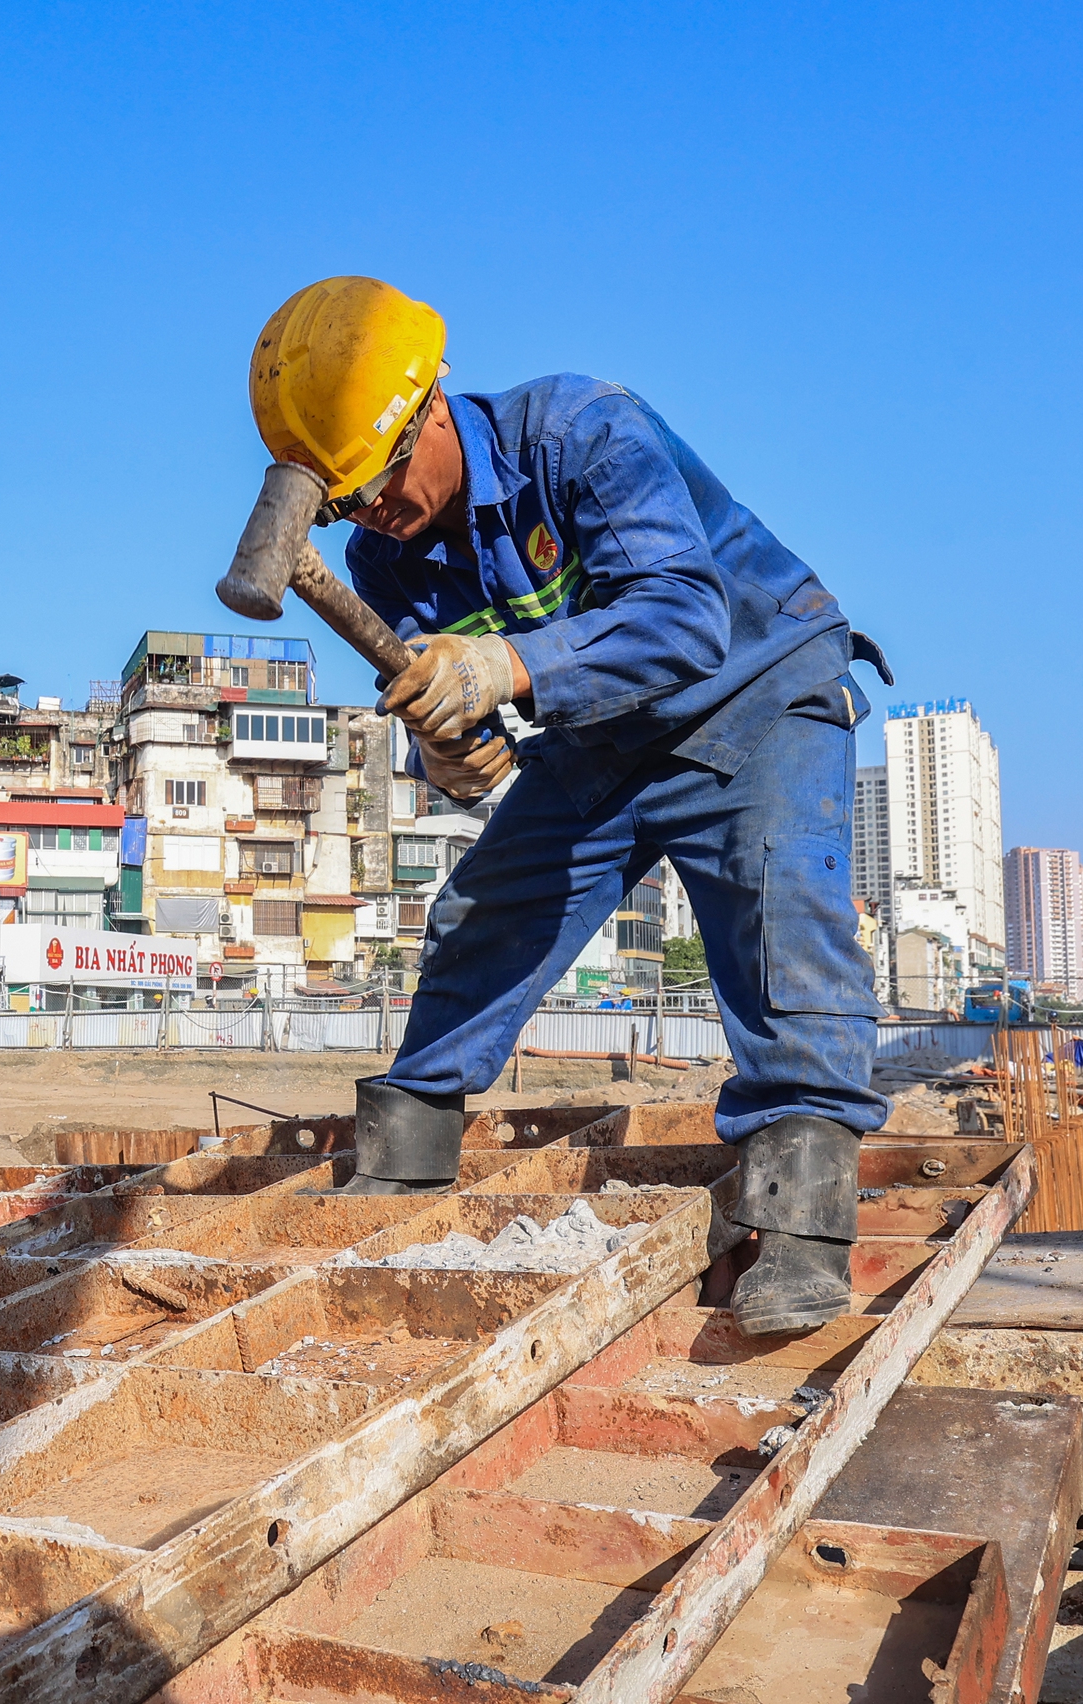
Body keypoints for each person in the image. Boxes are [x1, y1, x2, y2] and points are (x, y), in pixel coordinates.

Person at [245, 277, 892, 1335]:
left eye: (383, 480)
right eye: (348, 500)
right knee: (484, 913)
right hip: (603, 734)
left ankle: (804, 1228)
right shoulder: (381, 555)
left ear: (434, 409)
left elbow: (683, 618)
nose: (376, 511)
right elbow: (450, 689)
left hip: (756, 688)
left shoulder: (583, 429)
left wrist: (500, 665)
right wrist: (439, 740)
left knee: (779, 916)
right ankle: (403, 1162)